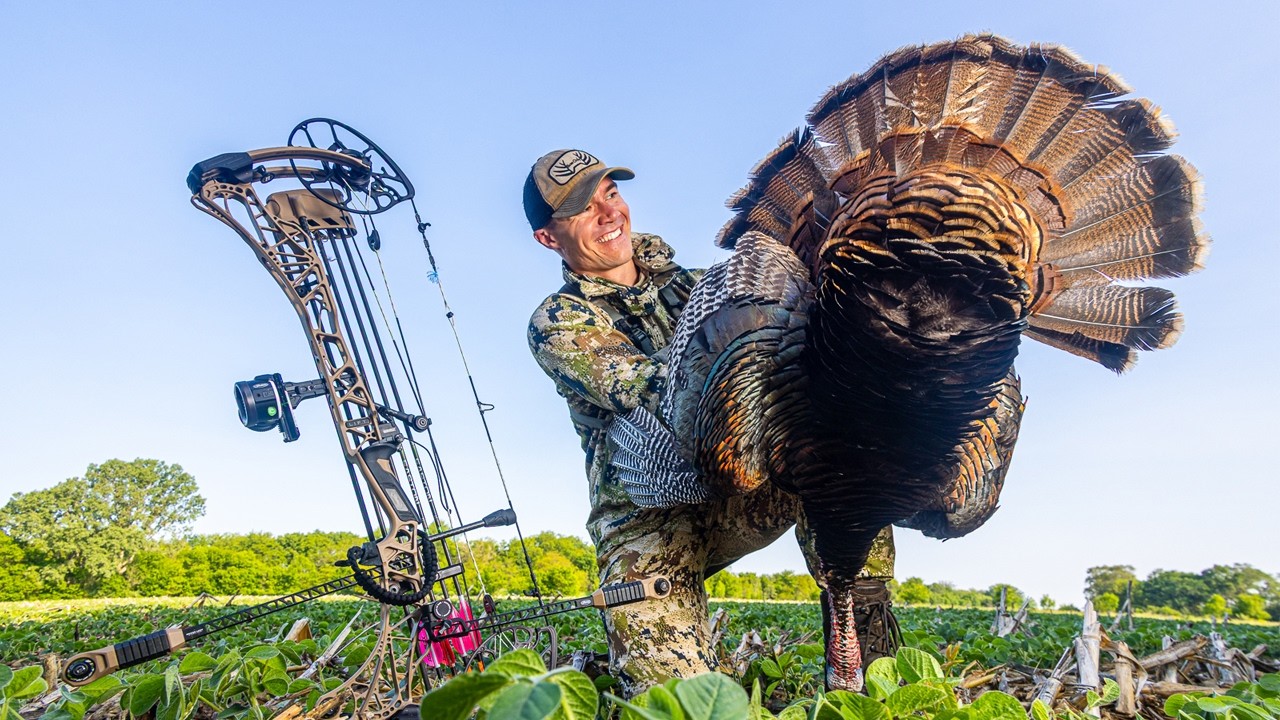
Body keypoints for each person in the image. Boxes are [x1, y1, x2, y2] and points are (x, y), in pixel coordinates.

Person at [524, 149, 896, 695]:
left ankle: (867, 645)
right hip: (648, 511)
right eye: (582, 207)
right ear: (549, 237)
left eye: (610, 192)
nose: (609, 213)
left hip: (743, 483)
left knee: (837, 451)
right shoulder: (558, 321)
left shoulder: (702, 284)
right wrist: (767, 362)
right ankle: (618, 668)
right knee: (681, 703)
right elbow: (649, 391)